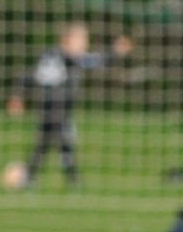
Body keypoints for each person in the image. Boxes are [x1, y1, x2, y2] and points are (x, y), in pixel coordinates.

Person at [7, 22, 132, 188]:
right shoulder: (67, 57)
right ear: (66, 40)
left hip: (46, 107)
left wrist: (17, 96)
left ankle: (34, 177)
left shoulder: (49, 54)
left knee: (46, 144)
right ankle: (70, 180)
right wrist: (114, 51)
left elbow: (29, 76)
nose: (84, 44)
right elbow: (92, 61)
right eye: (81, 40)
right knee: (62, 143)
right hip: (57, 107)